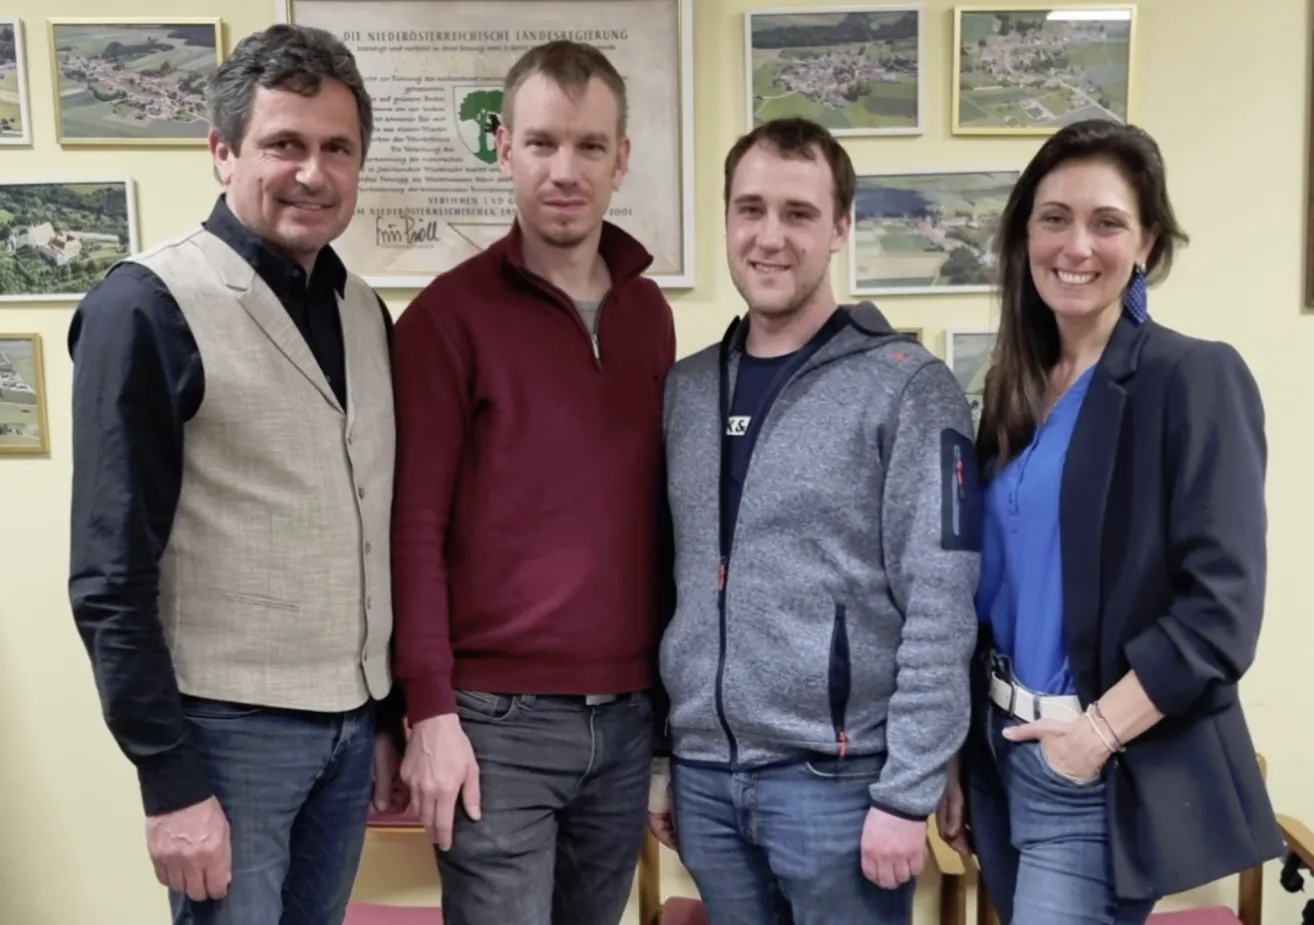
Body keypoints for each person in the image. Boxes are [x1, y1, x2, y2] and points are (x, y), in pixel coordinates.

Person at [66, 23, 405, 925]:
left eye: (338, 148)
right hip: (222, 736)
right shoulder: (146, 305)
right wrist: (168, 781)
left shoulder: (365, 310)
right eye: (284, 144)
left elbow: (366, 515)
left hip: (346, 726)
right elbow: (107, 575)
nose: (314, 173)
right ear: (222, 151)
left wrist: (382, 715)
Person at [934, 118, 1285, 923]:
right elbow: (983, 592)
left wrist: (1092, 737)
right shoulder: (1015, 388)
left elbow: (1221, 611)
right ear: (1025, 233)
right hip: (1000, 755)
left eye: (1107, 222)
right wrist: (959, 755)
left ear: (1148, 240)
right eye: (1054, 217)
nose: (1076, 245)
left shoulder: (1190, 377)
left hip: (1094, 768)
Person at [650, 116, 982, 925]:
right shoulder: (686, 390)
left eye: (798, 213)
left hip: (840, 788)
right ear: (726, 219)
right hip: (707, 782)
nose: (770, 237)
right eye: (750, 209)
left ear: (840, 228)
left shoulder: (907, 386)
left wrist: (907, 791)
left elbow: (943, 600)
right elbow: (669, 583)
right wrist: (665, 756)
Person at [389, 39, 676, 925]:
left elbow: (661, 523)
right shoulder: (446, 317)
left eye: (590, 146)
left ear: (621, 158)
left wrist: (664, 728)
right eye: (544, 142)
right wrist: (429, 712)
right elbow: (413, 529)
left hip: (625, 719)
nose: (565, 169)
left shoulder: (648, 312)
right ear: (504, 147)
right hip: (493, 724)